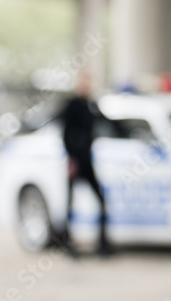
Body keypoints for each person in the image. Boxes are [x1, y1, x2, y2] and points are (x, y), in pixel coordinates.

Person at [59, 71, 113, 257]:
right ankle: (66, 243)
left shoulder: (91, 105)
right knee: (70, 204)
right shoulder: (72, 106)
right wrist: (71, 159)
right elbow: (65, 135)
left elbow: (107, 123)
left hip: (88, 160)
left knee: (101, 200)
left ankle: (103, 244)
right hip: (76, 161)